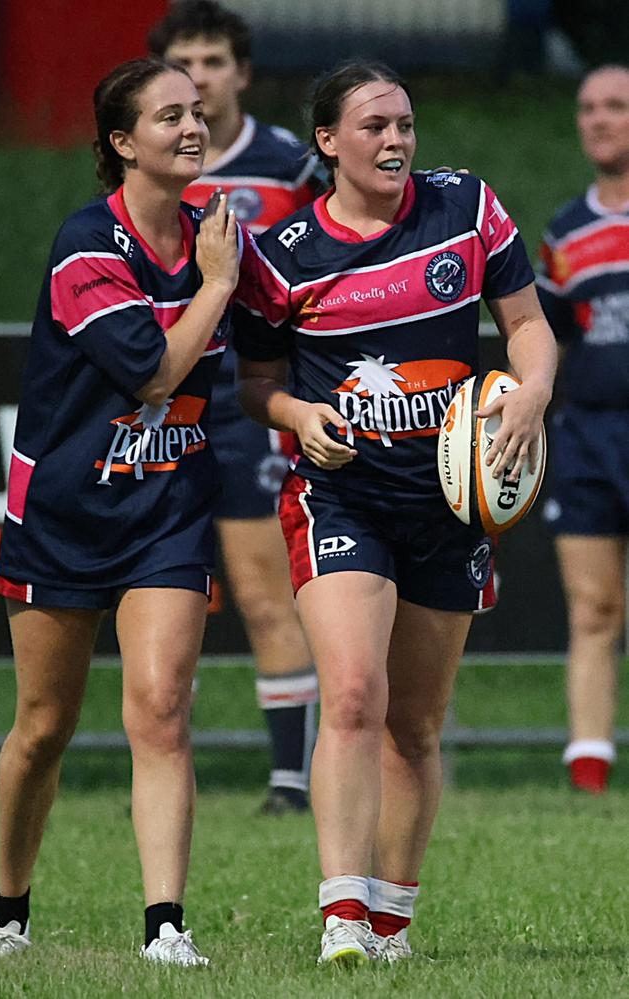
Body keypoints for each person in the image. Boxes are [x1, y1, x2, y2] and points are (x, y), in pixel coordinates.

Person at [233, 60, 557, 964]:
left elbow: (528, 326)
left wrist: (530, 396)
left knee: (415, 722)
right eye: (373, 127)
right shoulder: (282, 257)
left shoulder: (468, 209)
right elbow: (256, 384)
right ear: (329, 142)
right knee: (351, 691)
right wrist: (300, 415)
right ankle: (342, 911)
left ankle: (390, 925)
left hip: (450, 501)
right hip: (339, 492)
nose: (396, 141)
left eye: (406, 124)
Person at [0, 57, 239, 965]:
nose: (192, 127)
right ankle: (7, 907)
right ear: (123, 143)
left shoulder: (218, 231)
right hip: (65, 512)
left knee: (163, 707)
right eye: (169, 116)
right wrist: (213, 287)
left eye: (197, 112)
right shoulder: (89, 246)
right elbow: (157, 371)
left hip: (166, 509)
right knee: (44, 726)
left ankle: (165, 926)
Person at [148, 0, 320, 815]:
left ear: (241, 72)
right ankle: (155, 766)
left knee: (261, 589)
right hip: (164, 399)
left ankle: (292, 779)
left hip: (251, 397)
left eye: (214, 61)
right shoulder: (148, 168)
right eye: (185, 64)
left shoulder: (289, 163)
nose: (202, 77)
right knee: (157, 589)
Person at [537, 64, 629, 794]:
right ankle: (590, 771)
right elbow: (553, 340)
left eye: (616, 107)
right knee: (593, 606)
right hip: (590, 435)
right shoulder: (565, 232)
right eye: (588, 107)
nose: (598, 119)